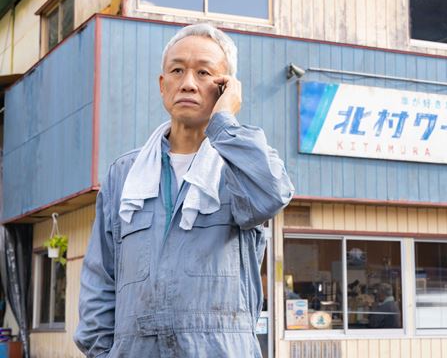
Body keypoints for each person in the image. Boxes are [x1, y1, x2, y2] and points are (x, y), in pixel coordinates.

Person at [74, 23, 294, 357]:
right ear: (162, 85)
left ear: (226, 87)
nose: (188, 83)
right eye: (177, 70)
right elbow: (100, 278)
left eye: (204, 72)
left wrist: (225, 122)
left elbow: (271, 195)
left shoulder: (241, 163)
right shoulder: (125, 174)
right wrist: (104, 353)